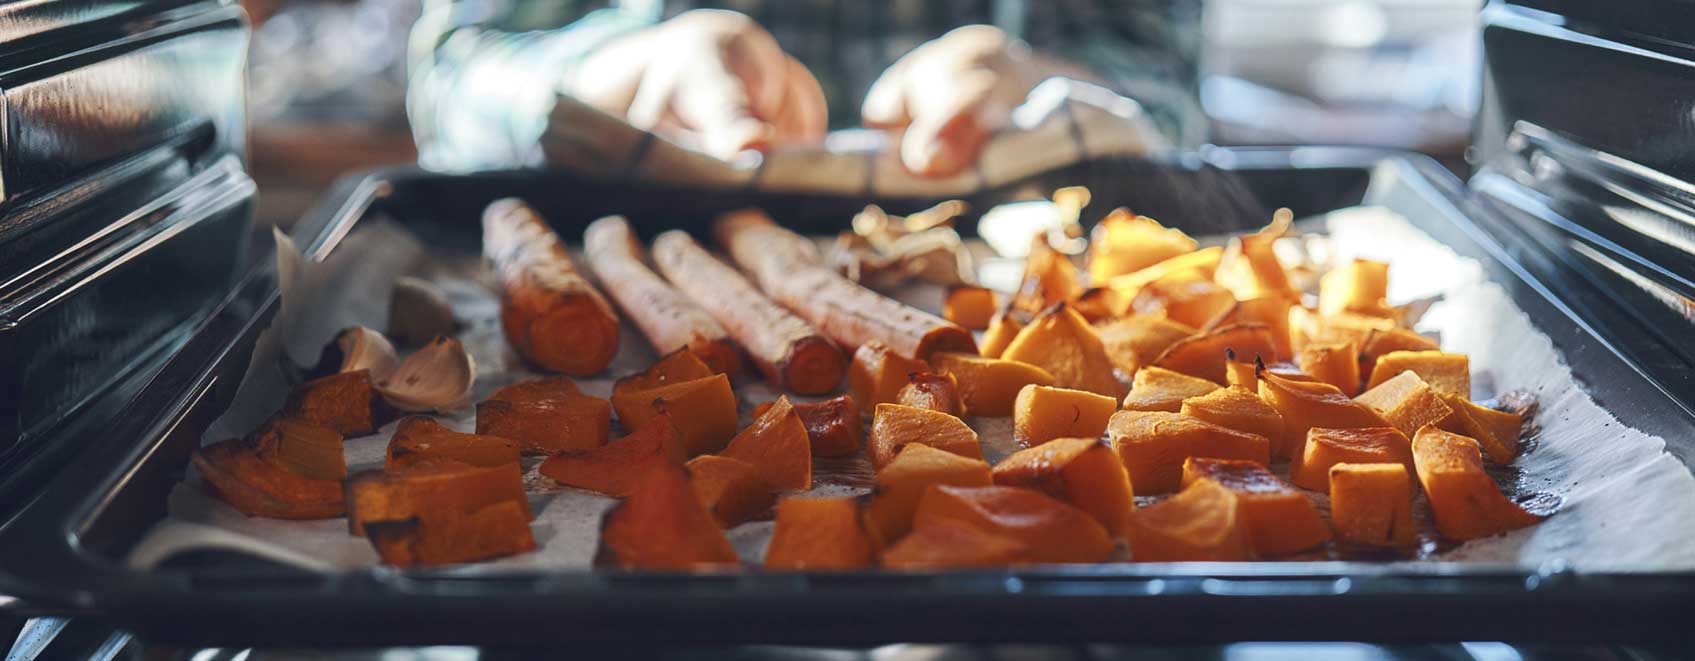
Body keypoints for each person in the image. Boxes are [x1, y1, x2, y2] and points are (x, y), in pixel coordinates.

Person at [407, 0, 1201, 178]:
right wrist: (603, 80)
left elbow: (1167, 93)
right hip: (610, 239)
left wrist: (1046, 84)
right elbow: (453, 72)